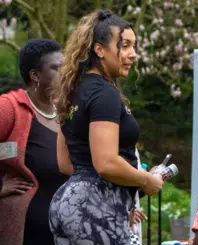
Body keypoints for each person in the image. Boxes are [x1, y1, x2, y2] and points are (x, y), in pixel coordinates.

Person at [49, 10, 163, 245]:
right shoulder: (104, 93)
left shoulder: (72, 90)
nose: (133, 54)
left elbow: (64, 162)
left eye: (134, 46)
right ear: (99, 50)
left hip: (65, 203)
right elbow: (106, 163)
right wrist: (144, 180)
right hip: (94, 208)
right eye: (125, 45)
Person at [0, 38, 65, 245]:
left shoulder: (65, 111)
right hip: (26, 232)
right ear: (35, 75)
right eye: (56, 69)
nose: (64, 74)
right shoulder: (10, 108)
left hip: (65, 230)